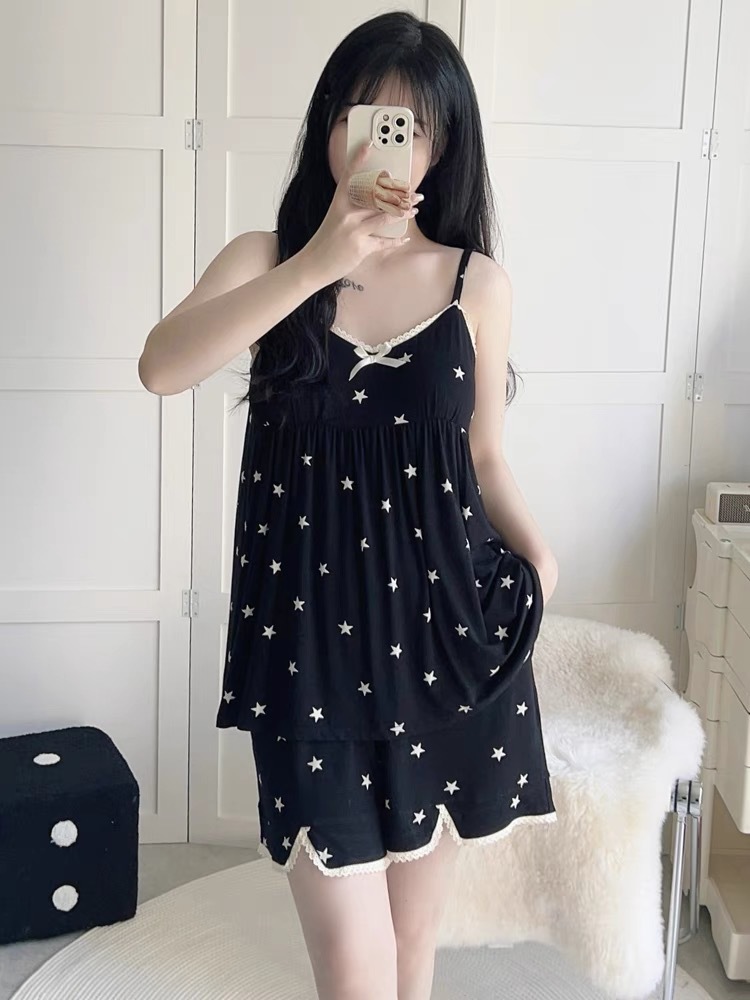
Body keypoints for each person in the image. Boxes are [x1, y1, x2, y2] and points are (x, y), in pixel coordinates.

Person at [139, 10, 559, 1000]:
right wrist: (320, 262)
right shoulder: (267, 261)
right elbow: (162, 367)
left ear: (443, 147)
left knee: (412, 956)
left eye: (414, 127)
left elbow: (485, 456)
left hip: (446, 643)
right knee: (355, 973)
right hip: (308, 659)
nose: (385, 144)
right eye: (364, 118)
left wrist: (542, 564)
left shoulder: (475, 283)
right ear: (331, 124)